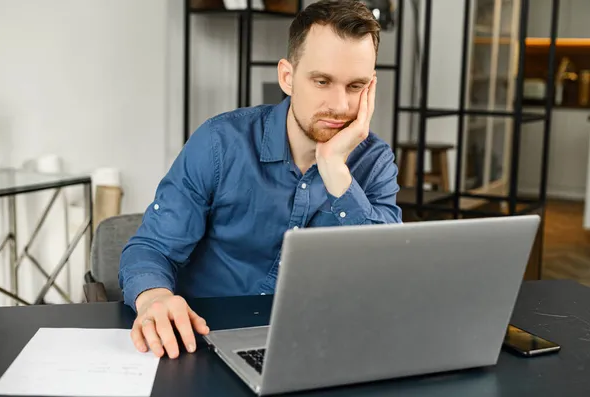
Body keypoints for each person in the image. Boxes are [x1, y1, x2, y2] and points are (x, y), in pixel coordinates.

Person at [119, 0, 402, 359]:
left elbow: (387, 274)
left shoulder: (374, 161)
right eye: (322, 81)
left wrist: (335, 170)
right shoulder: (220, 142)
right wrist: (155, 298)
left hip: (319, 346)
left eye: (356, 86)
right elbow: (150, 248)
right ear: (287, 77)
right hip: (204, 342)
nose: (341, 106)